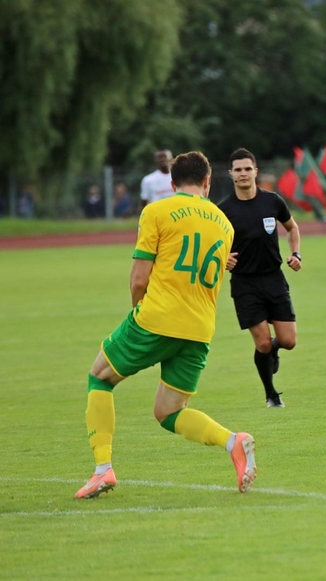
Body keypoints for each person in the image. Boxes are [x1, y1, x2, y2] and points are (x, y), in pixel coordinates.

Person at [75, 151, 256, 499]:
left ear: (172, 184)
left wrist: (137, 316)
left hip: (157, 319)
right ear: (207, 182)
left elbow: (138, 280)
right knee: (169, 412)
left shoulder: (157, 211)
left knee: (99, 377)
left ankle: (102, 469)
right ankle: (233, 441)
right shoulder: (224, 223)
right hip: (200, 327)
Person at [218, 148, 302, 408]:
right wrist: (223, 259)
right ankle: (271, 394)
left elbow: (292, 227)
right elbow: (213, 245)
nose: (243, 173)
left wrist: (296, 253)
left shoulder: (272, 201)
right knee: (262, 342)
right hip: (245, 284)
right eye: (238, 169)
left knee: (288, 341)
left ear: (255, 170)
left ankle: (274, 349)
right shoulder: (222, 210)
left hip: (274, 278)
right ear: (231, 174)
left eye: (247, 168)